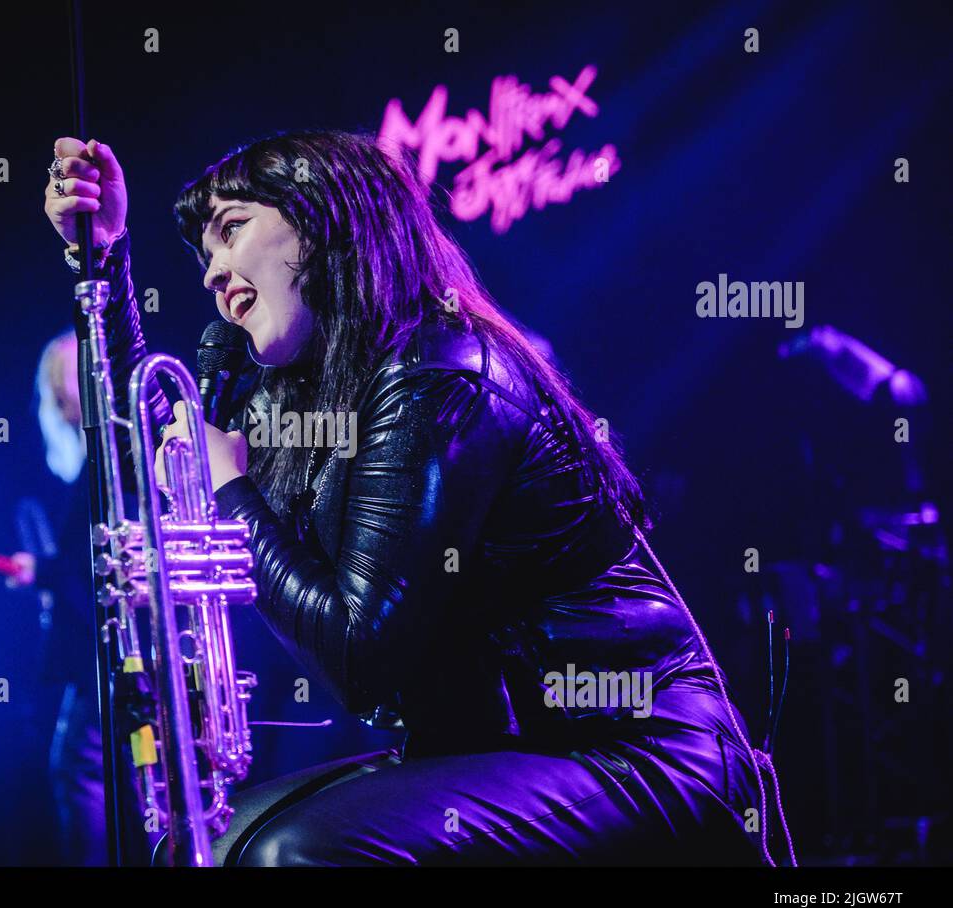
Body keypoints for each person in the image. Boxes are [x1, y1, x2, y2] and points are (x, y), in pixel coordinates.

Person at [43, 130, 792, 866]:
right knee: (192, 846)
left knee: (288, 858)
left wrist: (232, 492)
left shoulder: (442, 372)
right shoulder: (320, 394)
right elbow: (142, 442)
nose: (212, 272)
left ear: (323, 220)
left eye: (232, 231)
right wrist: (100, 261)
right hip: (496, 745)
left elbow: (362, 656)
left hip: (634, 748)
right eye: (205, 252)